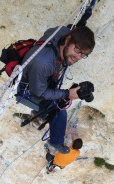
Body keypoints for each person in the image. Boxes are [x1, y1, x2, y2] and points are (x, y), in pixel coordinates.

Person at [16, 24, 95, 154]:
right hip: (29, 90)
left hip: (40, 78)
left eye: (83, 54)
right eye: (77, 50)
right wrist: (67, 94)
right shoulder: (43, 63)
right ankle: (55, 142)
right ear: (68, 40)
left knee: (62, 96)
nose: (78, 57)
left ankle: (41, 113)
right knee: (59, 112)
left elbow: (59, 29)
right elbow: (39, 92)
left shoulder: (62, 32)